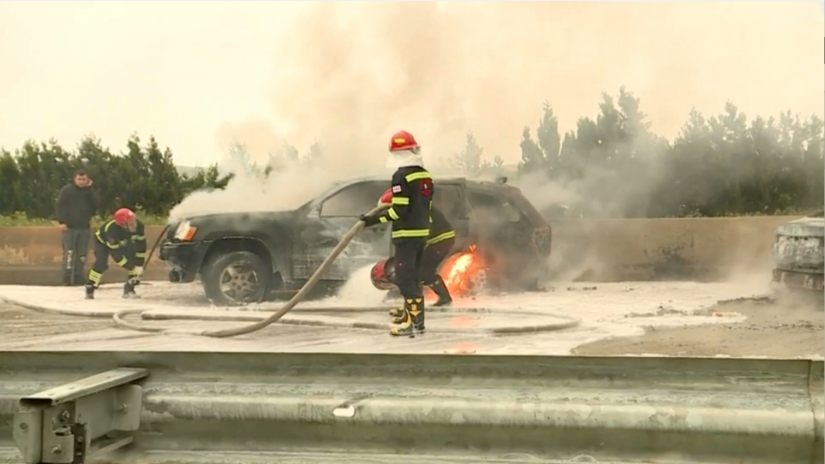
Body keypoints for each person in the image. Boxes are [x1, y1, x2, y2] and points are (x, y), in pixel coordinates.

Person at [360, 130, 432, 336]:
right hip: (421, 233)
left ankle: (413, 324)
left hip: (406, 235)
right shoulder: (424, 175)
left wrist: (374, 220)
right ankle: (414, 320)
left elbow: (398, 211)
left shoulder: (401, 176)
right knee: (413, 277)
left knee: (404, 278)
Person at [371, 188, 455, 309]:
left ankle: (444, 299)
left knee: (424, 272)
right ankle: (413, 300)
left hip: (441, 240)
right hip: (432, 242)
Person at [84, 208, 147, 300]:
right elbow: (117, 256)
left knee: (134, 259)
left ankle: (130, 289)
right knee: (101, 264)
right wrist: (132, 267)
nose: (134, 224)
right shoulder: (112, 231)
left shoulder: (139, 226)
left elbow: (141, 245)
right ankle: (90, 287)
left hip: (123, 241)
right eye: (130, 222)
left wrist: (140, 264)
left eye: (134, 219)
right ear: (123, 225)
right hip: (102, 242)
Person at [55, 170, 100, 285]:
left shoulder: (89, 192)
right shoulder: (67, 190)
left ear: (88, 180)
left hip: (84, 228)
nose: (81, 182)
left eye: (84, 179)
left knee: (82, 255)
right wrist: (61, 222)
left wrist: (90, 189)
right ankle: (67, 277)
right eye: (79, 179)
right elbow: (60, 206)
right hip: (69, 228)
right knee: (69, 254)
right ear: (75, 179)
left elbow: (97, 204)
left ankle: (79, 277)